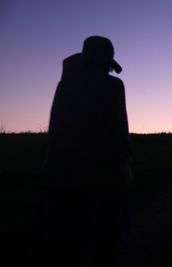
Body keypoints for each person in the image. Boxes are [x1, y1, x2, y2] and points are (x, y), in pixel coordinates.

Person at [34, 36, 132, 266]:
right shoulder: (114, 86)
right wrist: (125, 164)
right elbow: (119, 128)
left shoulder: (65, 84)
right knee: (105, 235)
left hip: (61, 171)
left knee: (66, 238)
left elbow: (56, 126)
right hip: (103, 173)